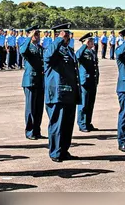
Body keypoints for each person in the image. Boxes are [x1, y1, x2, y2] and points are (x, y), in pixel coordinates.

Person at [43, 23, 80, 162]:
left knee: (67, 125)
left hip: (69, 94)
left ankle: (64, 150)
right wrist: (58, 39)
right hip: (57, 94)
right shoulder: (52, 49)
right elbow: (47, 57)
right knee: (57, 124)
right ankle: (55, 152)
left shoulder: (68, 50)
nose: (67, 37)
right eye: (65, 34)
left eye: (68, 34)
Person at [19, 25, 44, 140]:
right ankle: (29, 131)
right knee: (30, 108)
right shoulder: (27, 46)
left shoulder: (39, 47)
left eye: (38, 34)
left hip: (40, 80)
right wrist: (29, 38)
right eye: (35, 34)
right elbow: (22, 50)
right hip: (30, 80)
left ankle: (37, 130)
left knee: (38, 107)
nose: (38, 36)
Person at [76, 32, 99, 132]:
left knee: (90, 104)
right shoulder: (82, 51)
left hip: (92, 81)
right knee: (83, 104)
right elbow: (77, 56)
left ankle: (88, 122)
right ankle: (82, 123)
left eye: (92, 41)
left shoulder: (92, 52)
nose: (92, 42)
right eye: (90, 41)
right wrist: (84, 46)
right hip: (84, 81)